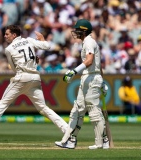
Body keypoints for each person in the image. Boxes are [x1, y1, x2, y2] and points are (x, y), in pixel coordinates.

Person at [0, 25, 68, 144]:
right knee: (43, 108)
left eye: (7, 34)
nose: (5, 36)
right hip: (35, 77)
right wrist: (42, 39)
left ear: (14, 35)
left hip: (21, 77)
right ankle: (66, 129)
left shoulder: (8, 49)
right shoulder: (28, 40)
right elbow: (47, 46)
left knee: (2, 103)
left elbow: (14, 69)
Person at [54, 19, 109, 149]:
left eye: (78, 30)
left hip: (92, 78)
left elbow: (90, 61)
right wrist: (103, 81)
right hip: (88, 77)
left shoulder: (89, 41)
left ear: (84, 31)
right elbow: (98, 64)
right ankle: (69, 140)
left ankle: (101, 142)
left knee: (94, 111)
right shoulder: (87, 42)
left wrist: (74, 71)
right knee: (77, 110)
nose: (76, 32)